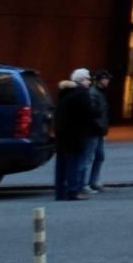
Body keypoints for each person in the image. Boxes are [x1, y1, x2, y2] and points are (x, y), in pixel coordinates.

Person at [52, 69, 95, 201]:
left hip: (62, 134)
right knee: (74, 163)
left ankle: (60, 192)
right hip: (76, 134)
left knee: (61, 164)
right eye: (88, 79)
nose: (89, 82)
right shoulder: (81, 93)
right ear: (81, 80)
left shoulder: (64, 93)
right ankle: (73, 190)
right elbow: (89, 113)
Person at [84, 69, 111, 192]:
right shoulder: (94, 93)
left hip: (98, 131)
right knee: (89, 157)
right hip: (94, 131)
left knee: (99, 156)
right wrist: (100, 127)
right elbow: (94, 114)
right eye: (106, 79)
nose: (108, 81)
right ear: (101, 80)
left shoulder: (99, 92)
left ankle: (93, 181)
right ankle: (85, 184)